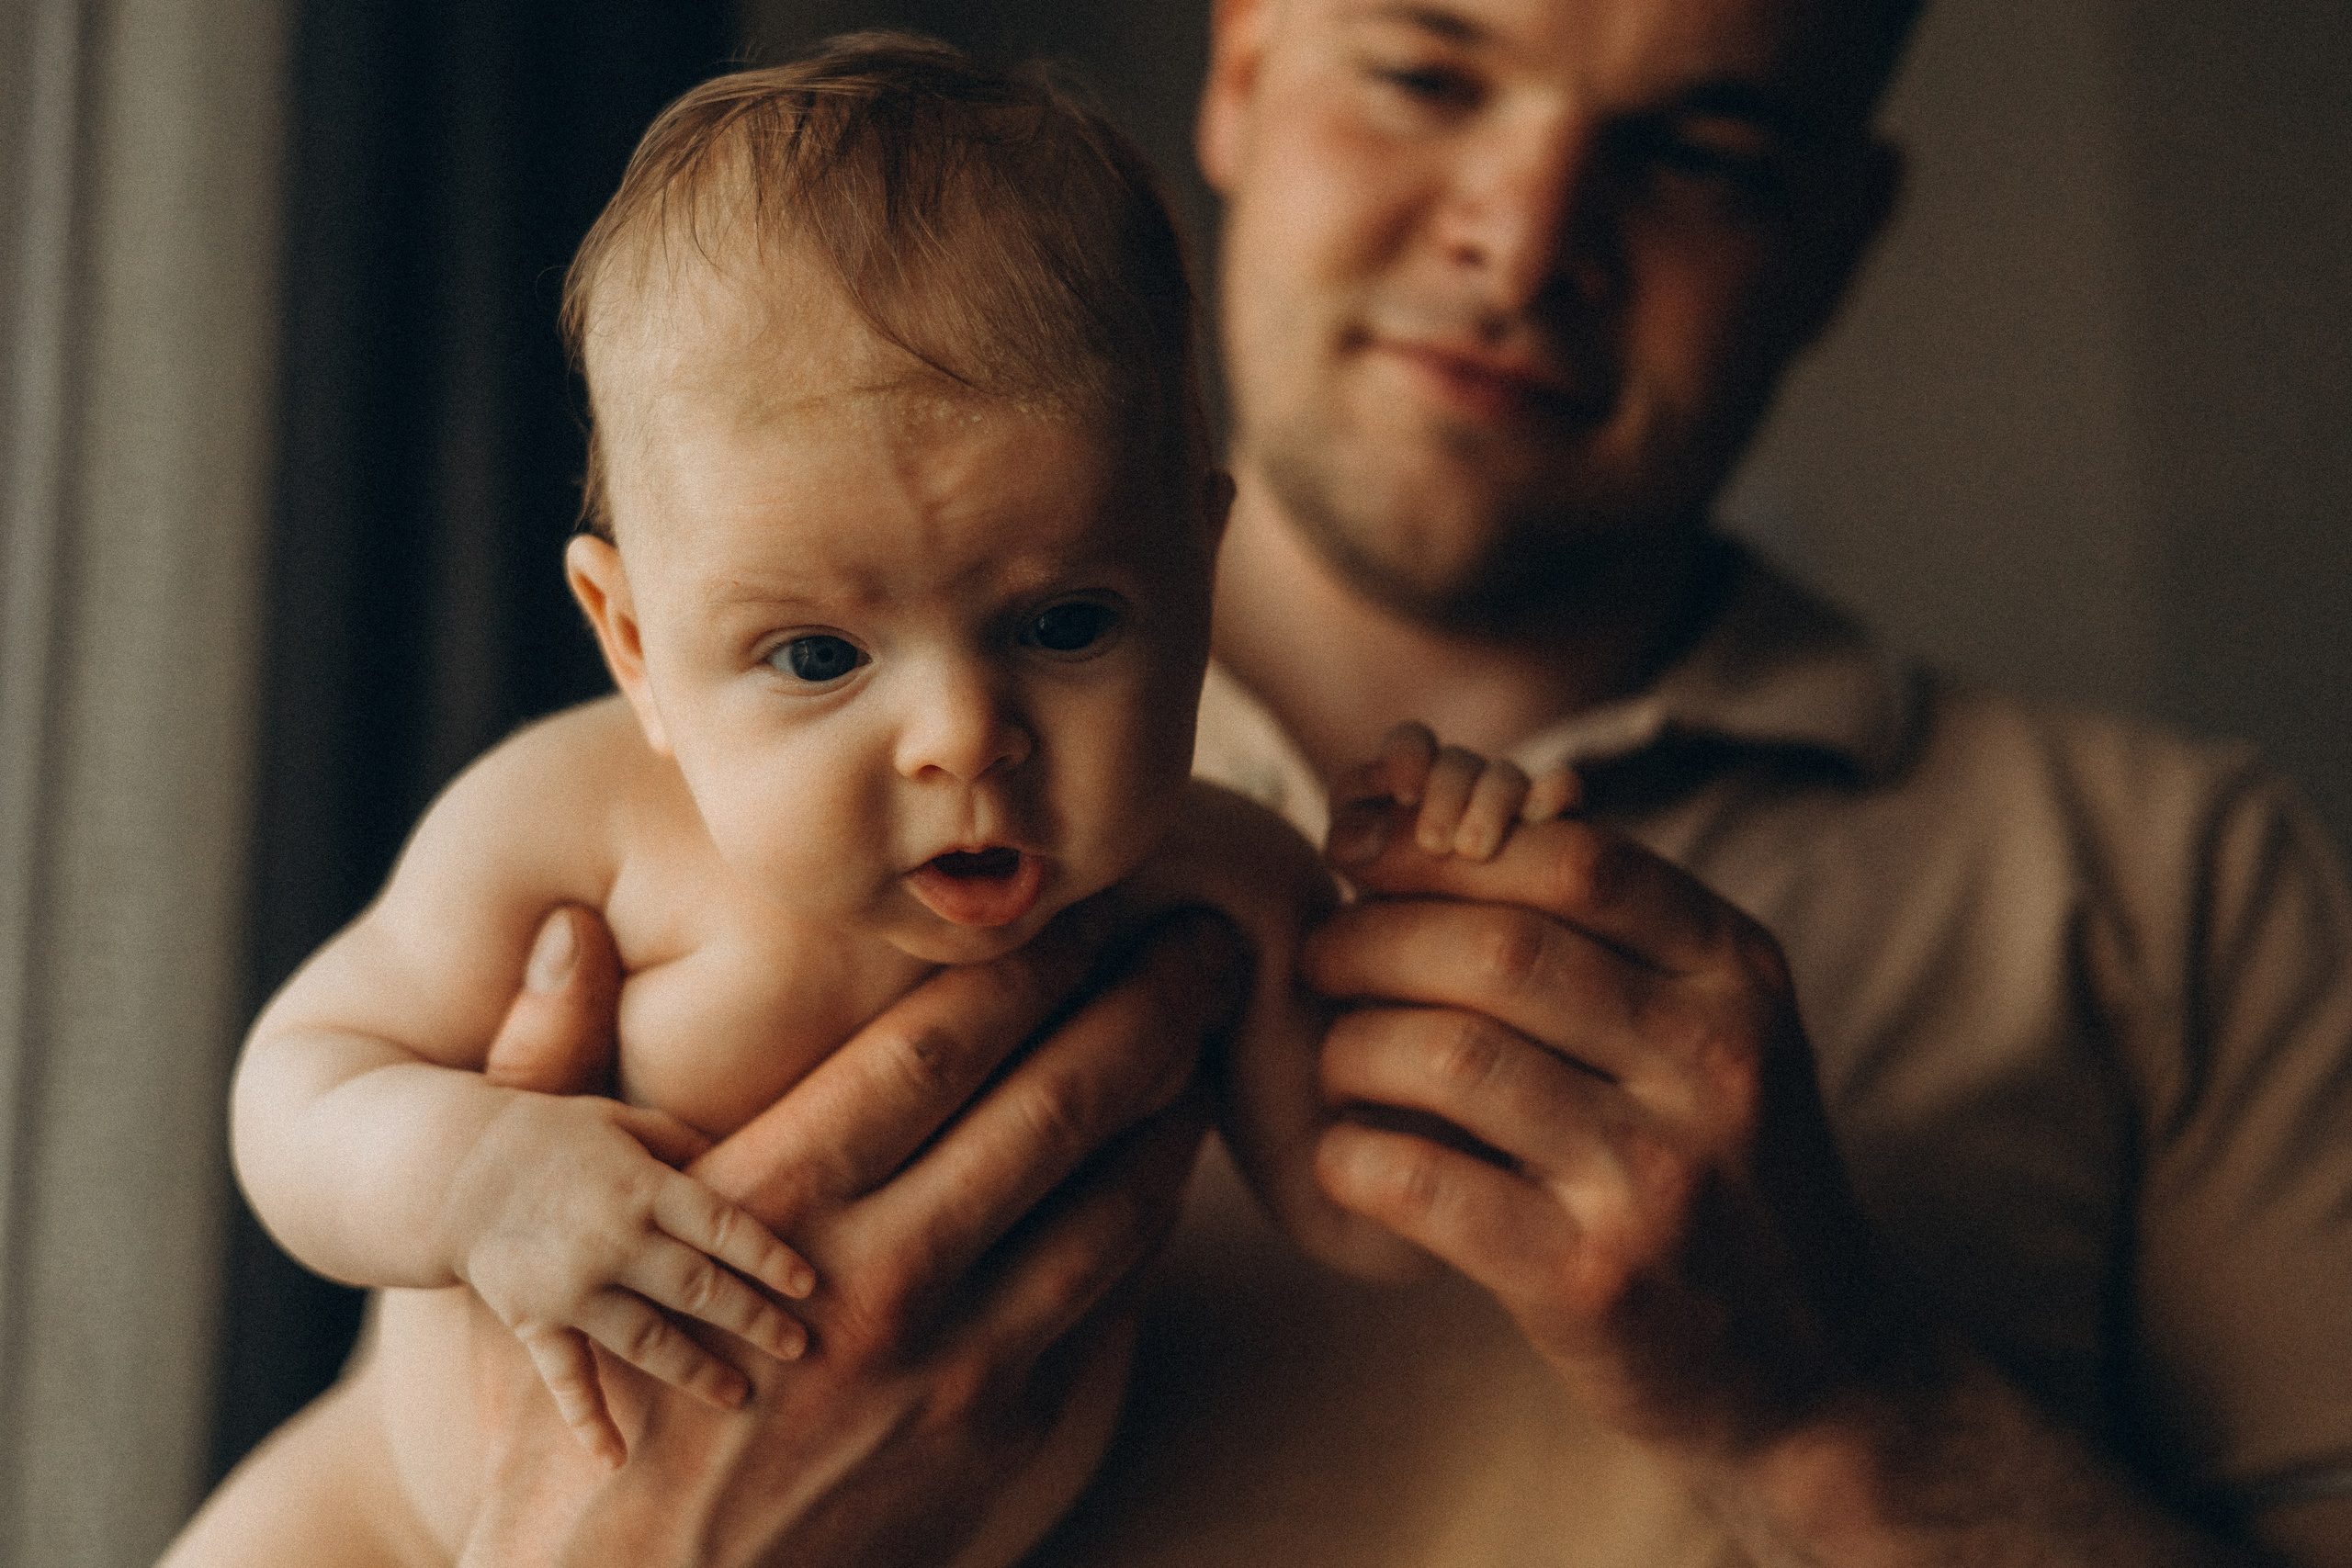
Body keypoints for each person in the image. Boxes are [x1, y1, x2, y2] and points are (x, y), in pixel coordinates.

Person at [242, 0, 2352, 1564]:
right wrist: (510, 1237)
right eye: (1427, 72)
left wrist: (1842, 1390)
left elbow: (1349, 1208)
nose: (1521, 242)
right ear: (1240, 67)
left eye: (1698, 149)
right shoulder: (602, 818)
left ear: (1841, 226)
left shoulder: (2168, 878)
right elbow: (328, 1202)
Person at [164, 36, 1566, 1568]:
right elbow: (295, 1088)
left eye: (1065, 625)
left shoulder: (1213, 881)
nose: (965, 740)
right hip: (385, 1522)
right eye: (821, 655)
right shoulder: (580, 819)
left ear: (1192, 559)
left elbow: (1359, 1219)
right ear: (632, 643)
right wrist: (481, 1179)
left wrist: (1438, 924)